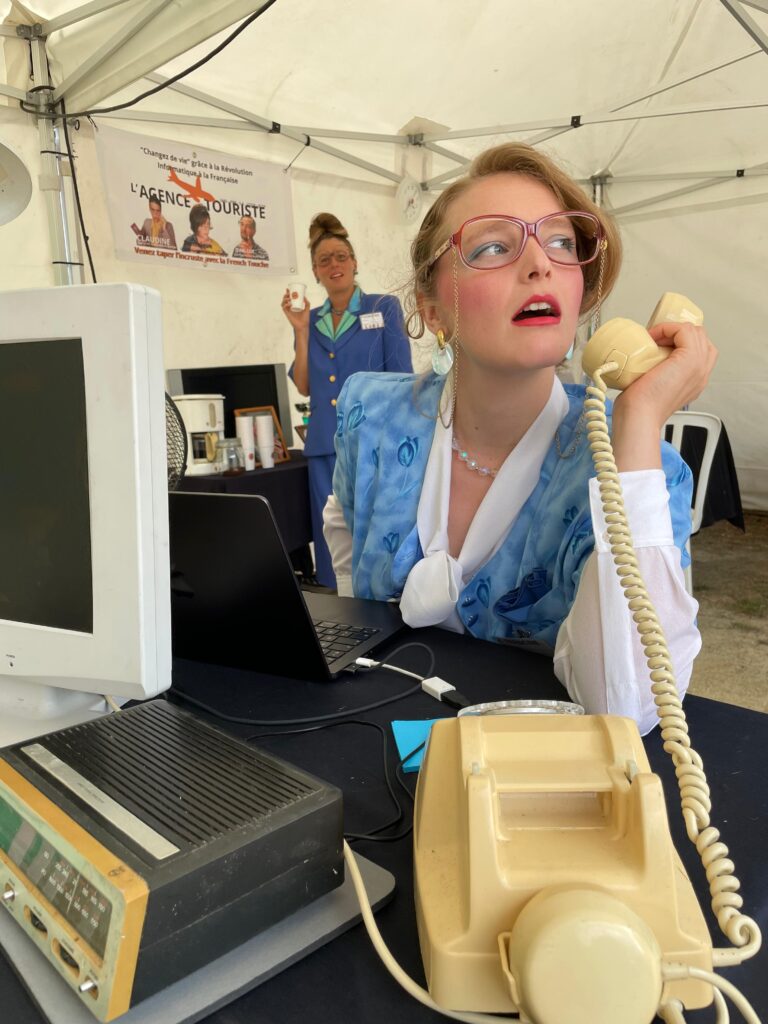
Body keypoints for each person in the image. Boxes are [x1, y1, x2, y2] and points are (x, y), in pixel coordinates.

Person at [323, 143, 717, 735]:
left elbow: (629, 706)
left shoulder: (639, 469)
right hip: (364, 739)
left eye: (561, 242)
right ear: (434, 309)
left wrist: (637, 422)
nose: (540, 265)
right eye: (492, 246)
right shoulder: (371, 413)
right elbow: (343, 522)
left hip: (533, 774)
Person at [281, 212, 413, 589]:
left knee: (377, 529)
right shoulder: (310, 319)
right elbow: (304, 385)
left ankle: (384, 600)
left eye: (341, 256)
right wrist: (301, 331)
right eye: (324, 260)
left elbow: (402, 378)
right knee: (332, 540)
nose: (334, 265)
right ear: (315, 272)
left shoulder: (383, 307)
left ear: (354, 263)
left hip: (375, 441)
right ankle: (338, 609)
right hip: (325, 444)